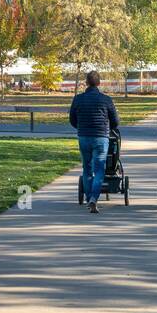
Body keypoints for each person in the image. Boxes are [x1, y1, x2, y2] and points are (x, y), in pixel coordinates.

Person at [69, 70, 119, 213]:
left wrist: (81, 127)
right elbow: (115, 121)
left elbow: (72, 119)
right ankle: (93, 199)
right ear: (99, 83)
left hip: (84, 137)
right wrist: (110, 127)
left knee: (87, 168)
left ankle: (89, 196)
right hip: (101, 138)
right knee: (99, 170)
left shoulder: (78, 99)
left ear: (86, 82)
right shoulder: (106, 100)